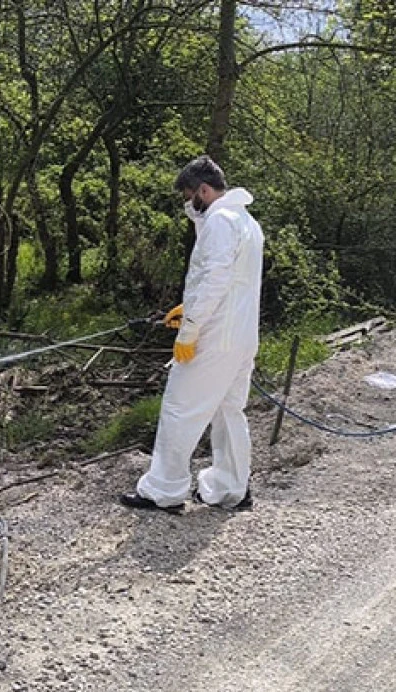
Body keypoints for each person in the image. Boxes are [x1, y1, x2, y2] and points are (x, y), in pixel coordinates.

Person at [120, 155, 264, 514]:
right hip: (242, 336)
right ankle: (232, 489)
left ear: (203, 189)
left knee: (179, 408)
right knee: (230, 411)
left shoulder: (219, 221)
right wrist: (189, 309)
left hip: (215, 337)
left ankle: (164, 491)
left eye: (190, 195)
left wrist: (190, 329)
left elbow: (213, 278)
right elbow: (232, 282)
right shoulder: (247, 221)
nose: (189, 203)